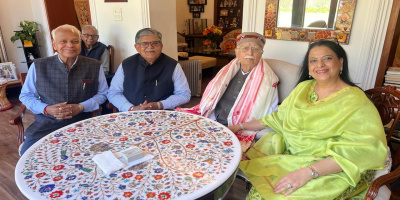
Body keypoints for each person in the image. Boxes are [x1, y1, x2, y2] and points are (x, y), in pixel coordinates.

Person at [228, 40, 387, 199]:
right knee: (259, 193)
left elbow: (362, 149)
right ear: (309, 67)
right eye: (313, 60)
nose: (320, 64)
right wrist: (239, 126)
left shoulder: (356, 101)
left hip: (333, 168)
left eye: (327, 58)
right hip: (294, 157)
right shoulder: (303, 88)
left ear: (340, 62)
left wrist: (307, 173)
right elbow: (277, 118)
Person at [177, 32, 279, 154]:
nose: (250, 53)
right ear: (236, 52)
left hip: (237, 129)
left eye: (255, 49)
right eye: (245, 48)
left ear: (261, 53)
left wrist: (239, 126)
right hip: (213, 118)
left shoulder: (269, 81)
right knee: (184, 143)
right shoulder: (227, 71)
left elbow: (269, 117)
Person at [19, 24, 108, 155]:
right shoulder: (38, 66)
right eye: (63, 41)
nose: (70, 45)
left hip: (83, 123)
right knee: (28, 157)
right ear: (54, 45)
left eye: (74, 41)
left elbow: (103, 93)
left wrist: (81, 107)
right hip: (46, 125)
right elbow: (25, 95)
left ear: (80, 43)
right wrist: (46, 109)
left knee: (96, 156)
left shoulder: (94, 65)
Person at [107, 28, 190, 111]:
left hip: (163, 114)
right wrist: (131, 108)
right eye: (144, 44)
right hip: (131, 114)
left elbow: (184, 94)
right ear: (137, 47)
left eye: (155, 43)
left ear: (161, 46)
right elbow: (114, 93)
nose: (150, 47)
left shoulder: (173, 65)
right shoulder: (126, 64)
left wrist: (160, 105)